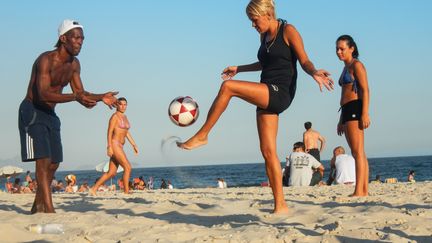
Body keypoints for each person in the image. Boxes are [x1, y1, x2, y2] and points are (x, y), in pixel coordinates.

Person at [177, 0, 333, 214]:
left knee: (227, 87)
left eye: (254, 19)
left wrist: (314, 72)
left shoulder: (288, 30)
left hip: (280, 92)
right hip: (265, 90)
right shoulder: (263, 37)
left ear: (267, 13)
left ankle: (203, 135)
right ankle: (281, 205)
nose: (252, 25)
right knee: (268, 152)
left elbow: (304, 60)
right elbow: (265, 63)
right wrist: (238, 68)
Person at [18, 19, 118, 213]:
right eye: (76, 38)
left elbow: (81, 92)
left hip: (50, 113)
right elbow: (43, 94)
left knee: (54, 162)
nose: (80, 42)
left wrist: (100, 97)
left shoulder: (74, 64)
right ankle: (49, 210)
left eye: (82, 38)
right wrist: (76, 97)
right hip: (32, 110)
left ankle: (37, 206)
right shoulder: (45, 60)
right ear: (63, 38)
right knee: (44, 160)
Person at [336, 35, 370, 197]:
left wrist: (365, 113)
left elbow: (365, 90)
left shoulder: (357, 65)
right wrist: (341, 119)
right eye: (337, 49)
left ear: (352, 48)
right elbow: (344, 94)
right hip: (346, 110)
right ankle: (363, 190)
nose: (338, 52)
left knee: (358, 151)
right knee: (357, 152)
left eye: (342, 48)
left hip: (356, 108)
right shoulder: (345, 67)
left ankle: (360, 190)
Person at [90, 97, 139, 195]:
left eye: (125, 104)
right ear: (116, 105)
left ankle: (93, 189)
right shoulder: (114, 117)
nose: (123, 106)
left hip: (121, 145)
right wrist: (109, 147)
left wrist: (134, 144)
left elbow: (126, 132)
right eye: (121, 104)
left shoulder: (125, 117)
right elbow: (109, 132)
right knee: (128, 167)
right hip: (114, 144)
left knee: (111, 172)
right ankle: (126, 191)